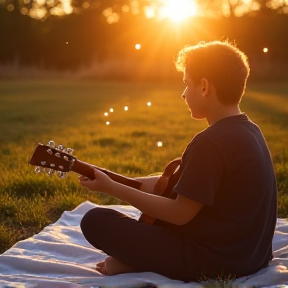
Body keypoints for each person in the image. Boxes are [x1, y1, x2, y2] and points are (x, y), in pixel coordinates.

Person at [79, 40, 277, 282]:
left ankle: (136, 265)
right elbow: (178, 184)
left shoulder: (210, 142)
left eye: (186, 83)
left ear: (204, 87)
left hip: (213, 260)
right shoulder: (250, 130)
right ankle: (138, 262)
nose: (183, 93)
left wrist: (112, 188)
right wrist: (114, 179)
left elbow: (179, 214)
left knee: (95, 221)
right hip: (252, 256)